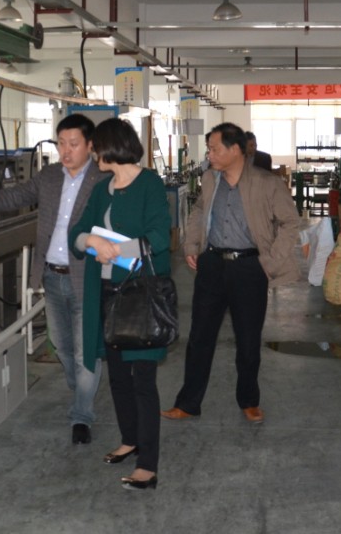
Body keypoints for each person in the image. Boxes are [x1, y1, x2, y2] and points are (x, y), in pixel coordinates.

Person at [0, 114, 107, 445]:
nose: (66, 151)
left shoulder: (102, 180)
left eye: (73, 144)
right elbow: (15, 196)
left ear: (90, 145)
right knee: (61, 345)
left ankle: (81, 415)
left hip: (86, 278)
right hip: (52, 276)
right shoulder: (50, 176)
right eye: (61, 143)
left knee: (84, 352)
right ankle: (82, 389)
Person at [163, 123, 300, 424]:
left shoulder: (267, 183)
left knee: (248, 339)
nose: (209, 155)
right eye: (209, 149)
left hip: (249, 267)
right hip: (212, 264)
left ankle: (249, 400)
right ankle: (188, 403)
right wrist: (192, 244)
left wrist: (270, 262)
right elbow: (200, 210)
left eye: (214, 149)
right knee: (199, 337)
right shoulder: (210, 179)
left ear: (235, 150)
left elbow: (291, 223)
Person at [70, 118, 171, 491]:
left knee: (142, 380)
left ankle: (148, 463)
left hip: (139, 296)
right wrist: (91, 242)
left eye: (96, 147)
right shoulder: (102, 189)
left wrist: (117, 250)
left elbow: (159, 236)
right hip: (107, 294)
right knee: (117, 376)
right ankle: (130, 439)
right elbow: (76, 233)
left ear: (111, 147)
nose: (94, 153)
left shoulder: (149, 184)